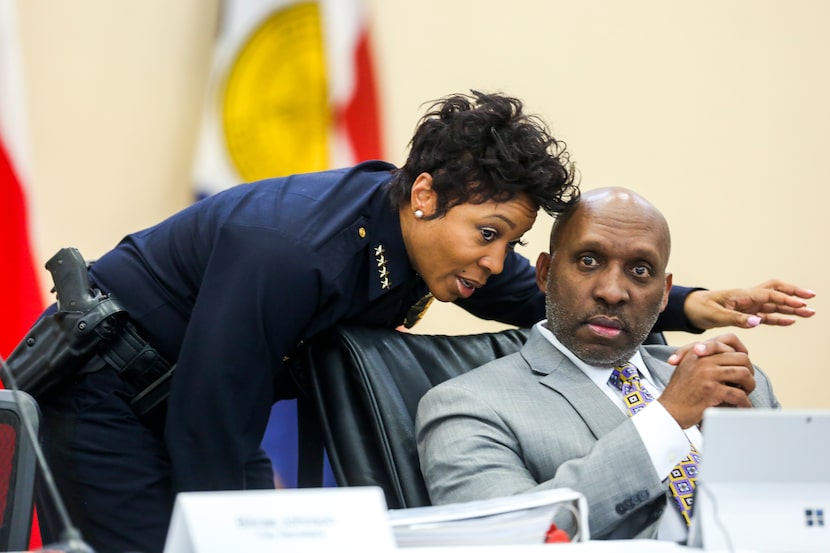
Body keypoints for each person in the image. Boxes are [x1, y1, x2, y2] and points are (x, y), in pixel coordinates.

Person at [28, 93, 811, 553]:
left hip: (186, 389)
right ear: (428, 195)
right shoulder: (291, 252)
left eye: (513, 238)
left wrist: (684, 303)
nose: (497, 258)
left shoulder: (418, 231)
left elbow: (539, 292)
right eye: (490, 232)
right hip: (107, 390)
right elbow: (210, 432)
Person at [415, 187, 800, 542]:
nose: (612, 292)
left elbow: (804, 518)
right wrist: (665, 420)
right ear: (545, 273)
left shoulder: (730, 383)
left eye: (640, 271)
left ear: (664, 294)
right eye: (588, 260)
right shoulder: (466, 404)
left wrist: (748, 452)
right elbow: (502, 541)